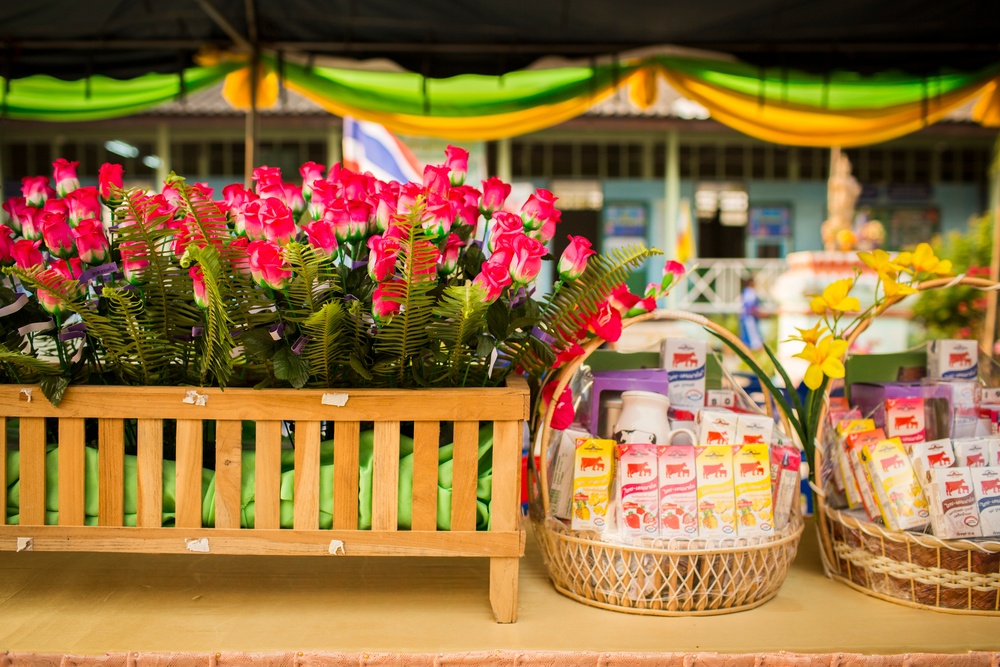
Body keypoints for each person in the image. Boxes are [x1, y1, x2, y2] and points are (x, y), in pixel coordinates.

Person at [739, 276, 763, 351]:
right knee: (753, 338)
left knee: (746, 337)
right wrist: (759, 313)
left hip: (746, 317)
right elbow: (750, 306)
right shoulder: (750, 292)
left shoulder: (745, 291)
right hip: (749, 318)